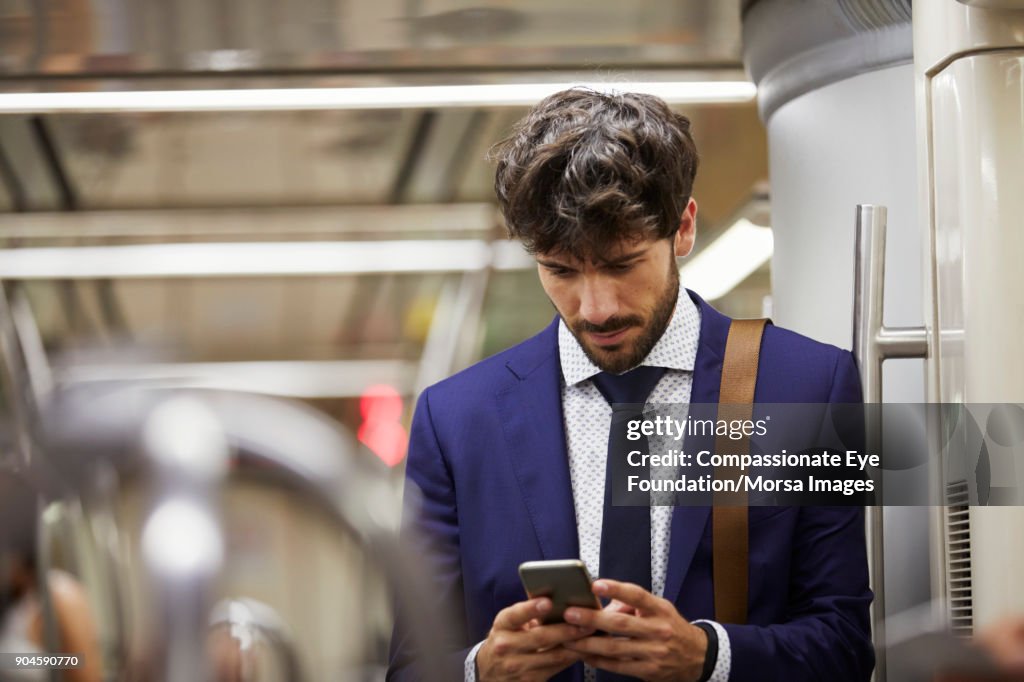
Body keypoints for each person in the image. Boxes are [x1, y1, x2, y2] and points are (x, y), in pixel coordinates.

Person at [387, 87, 874, 681]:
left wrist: (707, 658)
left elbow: (846, 645)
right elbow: (411, 666)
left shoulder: (807, 386)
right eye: (560, 270)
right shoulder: (456, 420)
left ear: (684, 228)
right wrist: (480, 669)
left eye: (621, 264)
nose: (596, 308)